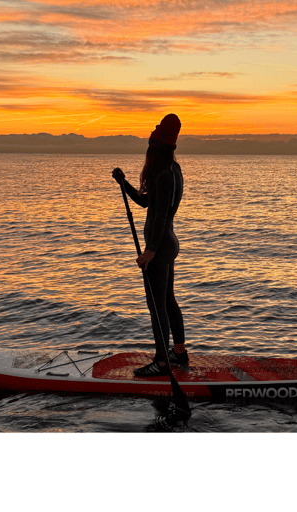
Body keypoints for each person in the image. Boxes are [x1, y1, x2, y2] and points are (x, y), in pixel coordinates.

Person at [112, 113, 188, 377]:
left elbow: (161, 215)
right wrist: (124, 184)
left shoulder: (165, 175)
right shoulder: (171, 171)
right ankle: (178, 354)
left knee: (157, 306)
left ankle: (162, 362)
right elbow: (147, 203)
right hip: (167, 245)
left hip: (161, 247)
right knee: (167, 301)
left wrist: (150, 251)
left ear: (155, 151)